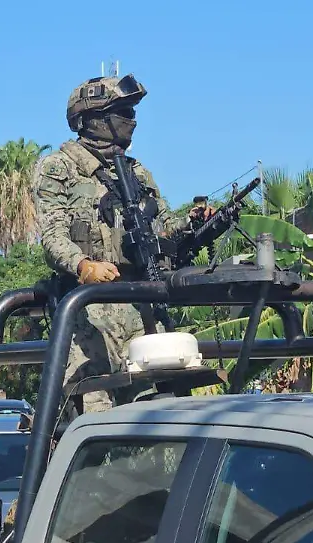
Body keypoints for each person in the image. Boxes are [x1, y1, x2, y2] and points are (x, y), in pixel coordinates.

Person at [34, 73, 214, 415]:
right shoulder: (59, 167)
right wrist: (84, 266)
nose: (131, 121)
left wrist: (193, 222)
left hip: (143, 304)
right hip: (90, 311)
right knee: (94, 408)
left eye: (131, 113)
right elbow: (53, 236)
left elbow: (160, 228)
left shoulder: (137, 171)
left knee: (160, 409)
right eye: (123, 113)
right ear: (93, 120)